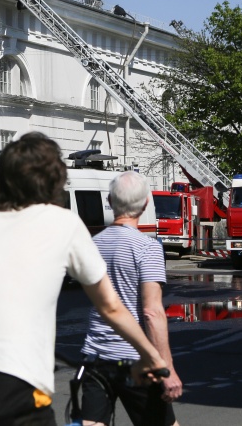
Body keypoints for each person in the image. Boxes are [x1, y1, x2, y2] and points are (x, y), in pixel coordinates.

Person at [0, 133, 168, 426]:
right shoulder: (62, 222)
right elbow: (111, 307)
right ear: (55, 179)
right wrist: (151, 355)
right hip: (10, 382)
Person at [79, 171, 182, 426]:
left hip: (96, 355)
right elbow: (152, 312)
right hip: (136, 359)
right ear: (146, 203)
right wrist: (165, 368)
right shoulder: (147, 248)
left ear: (110, 202)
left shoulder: (93, 245)